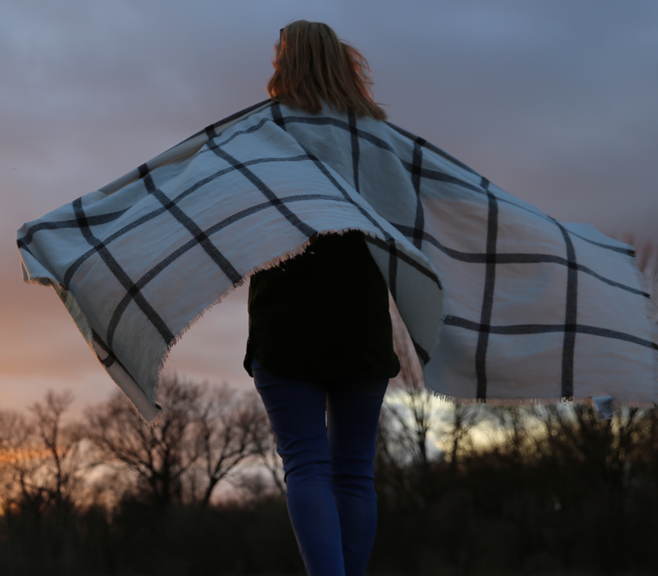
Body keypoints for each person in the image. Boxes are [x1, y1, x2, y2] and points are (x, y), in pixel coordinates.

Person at [244, 20, 400, 576]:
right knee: (354, 471)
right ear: (342, 62)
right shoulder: (376, 136)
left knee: (306, 467)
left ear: (288, 63)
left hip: (286, 316)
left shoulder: (263, 131)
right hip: (360, 315)